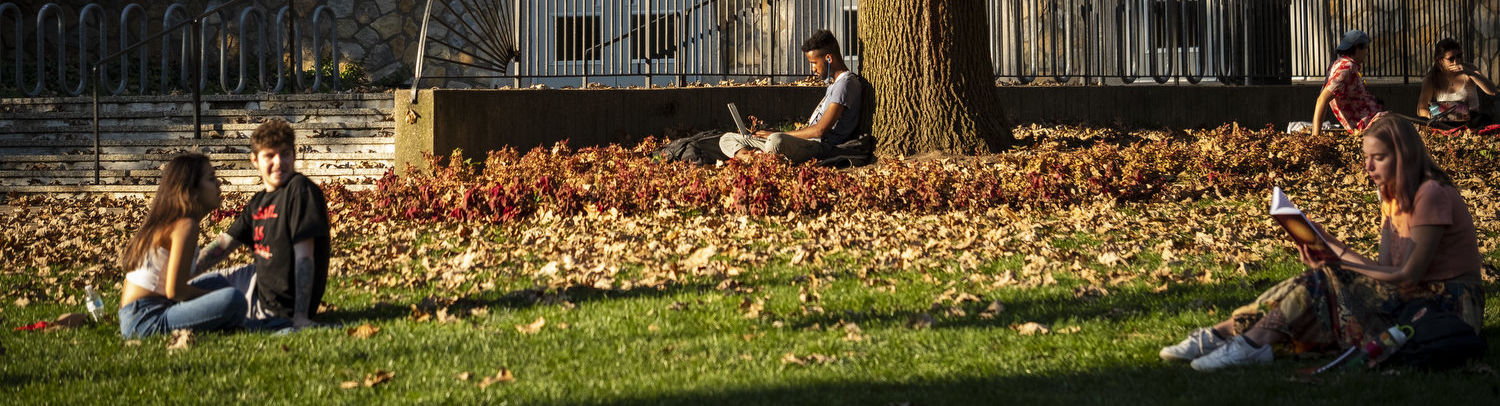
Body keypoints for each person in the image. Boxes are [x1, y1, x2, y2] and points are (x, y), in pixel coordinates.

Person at [1161, 113, 1483, 371]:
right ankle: (1231, 335)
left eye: (1379, 158)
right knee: (1319, 275)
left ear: (1405, 157)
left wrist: (1337, 266)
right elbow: (1384, 269)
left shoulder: (1430, 194)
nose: (1368, 167)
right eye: (1366, 157)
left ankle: (1246, 342)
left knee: (1323, 278)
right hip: (1411, 296)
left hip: (1444, 308)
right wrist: (1328, 244)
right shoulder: (1392, 197)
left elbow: (1408, 275)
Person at [193, 120, 332, 330]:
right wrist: (187, 273)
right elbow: (223, 246)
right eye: (270, 155)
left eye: (285, 154)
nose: (279, 162)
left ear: (294, 155)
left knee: (198, 309)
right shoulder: (258, 202)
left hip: (278, 307)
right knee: (185, 290)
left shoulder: (300, 191)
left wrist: (300, 316)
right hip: (255, 283)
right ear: (255, 160)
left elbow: (305, 257)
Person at [118, 153, 247, 338]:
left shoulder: (174, 221)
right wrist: (213, 296)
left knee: (219, 283)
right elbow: (175, 291)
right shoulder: (185, 225)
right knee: (233, 299)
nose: (219, 184)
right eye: (211, 179)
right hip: (146, 320)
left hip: (140, 312)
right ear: (192, 190)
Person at [719, 29, 863, 164]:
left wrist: (782, 134)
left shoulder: (845, 84)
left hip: (819, 147)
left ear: (829, 58)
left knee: (776, 140)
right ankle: (752, 158)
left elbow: (820, 130)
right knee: (727, 138)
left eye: (814, 63)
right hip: (803, 143)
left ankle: (760, 159)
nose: (812, 69)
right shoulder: (834, 84)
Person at [1312, 30, 1384, 137]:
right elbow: (1322, 99)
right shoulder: (1346, 69)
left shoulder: (1342, 64)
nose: (1367, 52)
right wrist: (1315, 136)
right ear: (1357, 47)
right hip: (1369, 125)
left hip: (1374, 120)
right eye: (1366, 47)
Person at [1416, 38, 1497, 129]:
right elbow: (1421, 109)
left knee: (1484, 119)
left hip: (1471, 120)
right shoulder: (1432, 78)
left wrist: (1470, 73)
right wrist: (1436, 115)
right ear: (1440, 60)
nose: (1456, 61)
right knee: (1423, 122)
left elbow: (1492, 91)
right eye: (1451, 59)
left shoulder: (1469, 69)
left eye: (1459, 56)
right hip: (1446, 121)